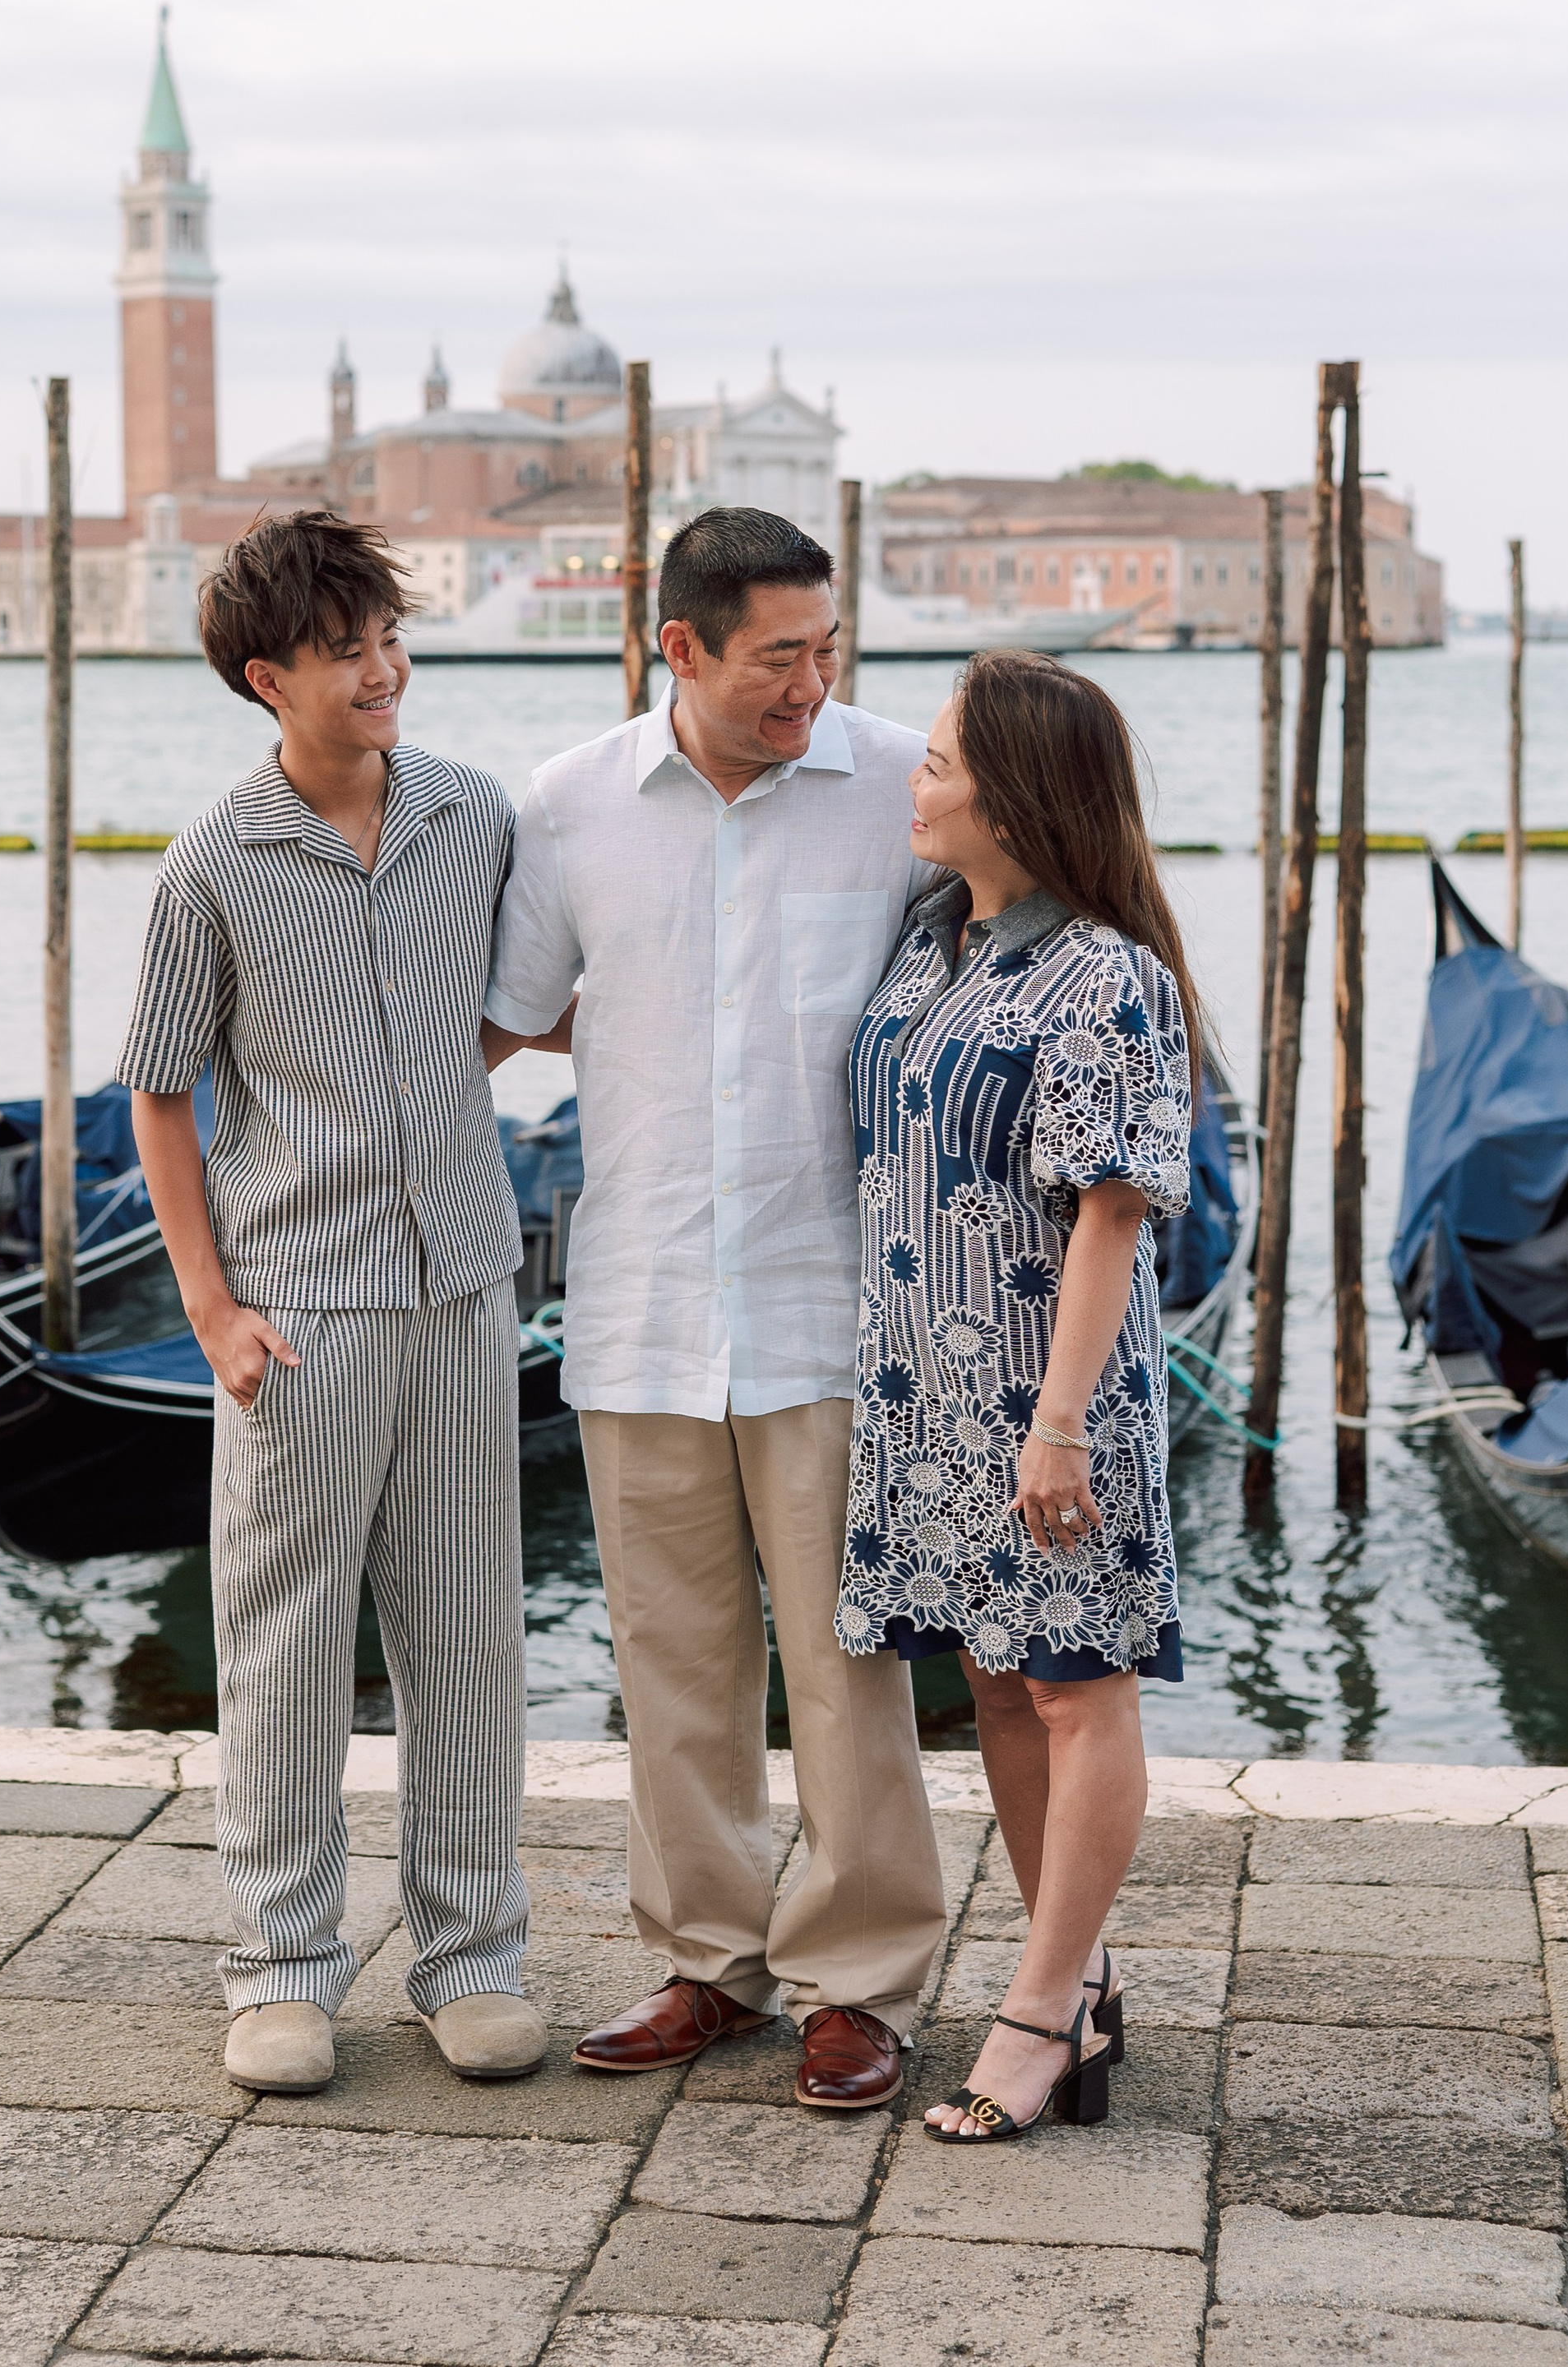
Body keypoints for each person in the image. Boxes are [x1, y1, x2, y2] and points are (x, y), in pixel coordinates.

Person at [483, 506, 947, 2112]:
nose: (809, 685)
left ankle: (860, 1982)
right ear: (678, 646)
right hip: (641, 1297)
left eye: (826, 651)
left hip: (836, 1298)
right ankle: (708, 1962)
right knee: (671, 1661)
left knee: (847, 1663)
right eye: (776, 658)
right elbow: (507, 1018)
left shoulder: (905, 786)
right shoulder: (568, 804)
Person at [121, 508, 553, 2097]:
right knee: (286, 1645)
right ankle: (281, 1970)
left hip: (463, 1282)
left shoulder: (473, 816)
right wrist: (212, 1312)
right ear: (268, 678)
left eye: (390, 638)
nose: (383, 670)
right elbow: (161, 1091)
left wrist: (433, 1091)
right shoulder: (213, 865)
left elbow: (516, 1009)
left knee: (469, 1636)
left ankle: (473, 1960)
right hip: (299, 1309)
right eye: (345, 650)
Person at [837, 649, 1198, 2143]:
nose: (913, 784)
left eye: (937, 763)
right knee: (996, 1680)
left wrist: (1057, 1426)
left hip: (1053, 1398)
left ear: (1020, 794)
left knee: (1075, 1684)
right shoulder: (931, 940)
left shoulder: (1105, 975)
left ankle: (1040, 2014)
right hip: (925, 1395)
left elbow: (1112, 1211)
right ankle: (1080, 1983)